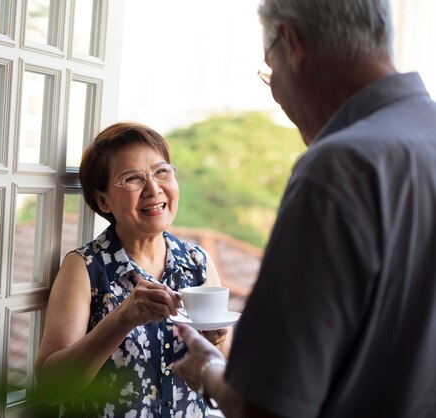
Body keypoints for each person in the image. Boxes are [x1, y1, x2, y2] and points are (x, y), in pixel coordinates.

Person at [174, 0, 436, 417]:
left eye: (269, 70)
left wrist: (208, 370)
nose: (275, 91)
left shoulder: (339, 169)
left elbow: (263, 407)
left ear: (291, 43)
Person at [34, 122, 230, 417]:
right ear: (103, 200)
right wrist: (122, 319)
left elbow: (226, 371)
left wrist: (217, 339)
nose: (153, 188)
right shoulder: (85, 267)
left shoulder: (197, 261)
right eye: (132, 179)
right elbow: (51, 389)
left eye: (161, 172)